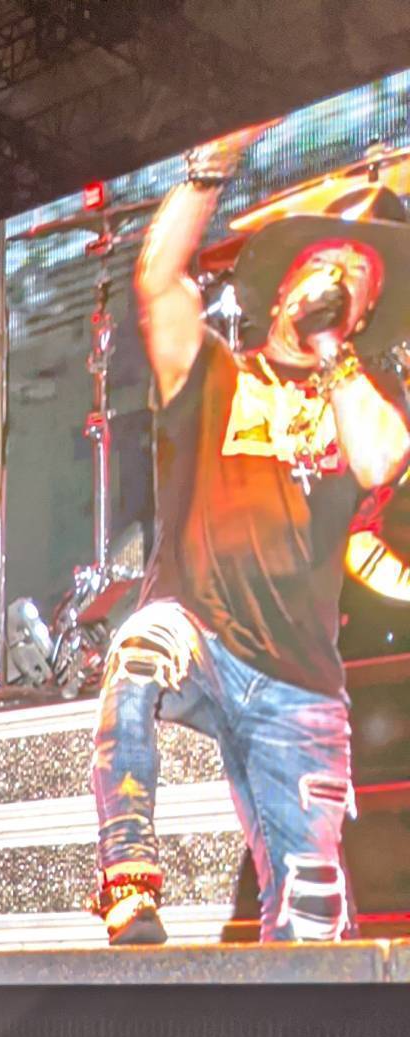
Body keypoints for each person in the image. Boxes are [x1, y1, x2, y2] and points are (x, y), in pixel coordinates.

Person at [98, 120, 410, 946]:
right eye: (322, 266)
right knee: (142, 649)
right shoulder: (213, 373)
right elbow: (158, 279)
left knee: (311, 914)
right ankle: (129, 879)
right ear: (281, 291)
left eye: (354, 278)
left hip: (299, 684)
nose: (336, 278)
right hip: (199, 630)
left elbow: (382, 463)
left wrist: (333, 349)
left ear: (365, 309)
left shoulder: (359, 398)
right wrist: (207, 169)